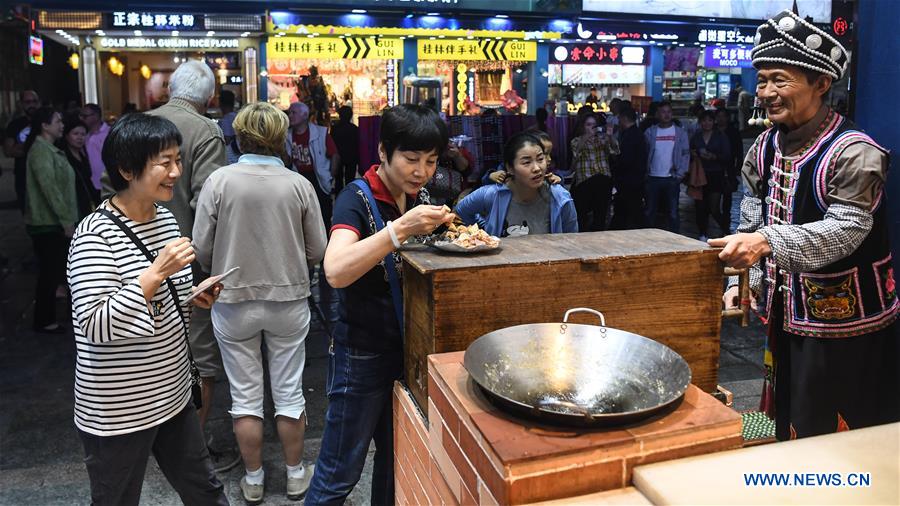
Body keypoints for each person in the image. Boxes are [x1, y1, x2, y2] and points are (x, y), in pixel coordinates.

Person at [712, 7, 899, 441]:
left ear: (821, 84)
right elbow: (753, 212)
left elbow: (847, 229)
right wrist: (748, 279)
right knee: (788, 412)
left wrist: (765, 242)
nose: (767, 92)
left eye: (781, 79)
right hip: (787, 311)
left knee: (840, 426)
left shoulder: (855, 152)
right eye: (762, 80)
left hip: (848, 324)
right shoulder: (764, 146)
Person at [67, 113, 227, 506]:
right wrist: (154, 273)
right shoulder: (93, 235)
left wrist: (193, 298)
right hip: (118, 411)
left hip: (171, 396)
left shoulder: (167, 222)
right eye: (165, 162)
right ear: (126, 169)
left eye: (178, 159)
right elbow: (95, 323)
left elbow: (162, 303)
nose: (176, 172)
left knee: (206, 491)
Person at [305, 104, 455, 505]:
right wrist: (399, 229)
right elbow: (335, 270)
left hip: (407, 352)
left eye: (431, 161)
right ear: (383, 152)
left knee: (396, 463)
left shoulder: (419, 196)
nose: (421, 171)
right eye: (410, 159)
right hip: (362, 356)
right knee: (338, 474)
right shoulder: (355, 199)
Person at [193, 102, 328, 503]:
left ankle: (252, 479)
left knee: (245, 396)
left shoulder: (220, 181)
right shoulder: (298, 185)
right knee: (289, 392)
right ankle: (294, 473)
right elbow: (318, 249)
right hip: (288, 299)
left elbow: (201, 250)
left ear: (239, 136)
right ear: (280, 138)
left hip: (233, 304)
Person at [143, 60, 232, 469]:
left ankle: (155, 444)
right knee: (199, 361)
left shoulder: (139, 126)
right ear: (210, 97)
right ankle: (191, 455)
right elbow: (207, 205)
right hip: (184, 263)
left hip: (135, 256)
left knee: (151, 352)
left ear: (169, 89)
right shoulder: (206, 131)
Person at [455, 131, 577, 237]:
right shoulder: (493, 194)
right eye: (526, 162)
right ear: (510, 168)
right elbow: (461, 211)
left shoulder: (561, 198)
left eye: (540, 159)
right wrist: (485, 229)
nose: (537, 168)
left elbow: (571, 239)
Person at [23, 107, 77, 333]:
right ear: (45, 126)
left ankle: (50, 318)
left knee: (55, 271)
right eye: (57, 121)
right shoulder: (41, 152)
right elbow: (50, 189)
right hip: (47, 223)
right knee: (50, 273)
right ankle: (44, 320)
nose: (61, 125)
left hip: (52, 221)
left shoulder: (50, 150)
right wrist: (65, 220)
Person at [286, 101, 341, 228]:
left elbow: (335, 155)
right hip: (298, 177)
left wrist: (331, 176)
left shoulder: (320, 133)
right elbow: (287, 161)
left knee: (323, 214)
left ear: (305, 115)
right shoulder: (287, 136)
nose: (290, 116)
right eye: (289, 113)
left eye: (293, 113)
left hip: (318, 178)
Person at [643, 102, 690, 233]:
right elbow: (645, 152)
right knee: (650, 211)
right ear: (657, 114)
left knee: (673, 212)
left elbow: (686, 154)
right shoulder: (650, 132)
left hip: (672, 178)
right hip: (653, 177)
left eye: (669, 111)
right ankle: (647, 238)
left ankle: (675, 238)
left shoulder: (679, 132)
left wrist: (681, 173)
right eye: (663, 112)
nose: (666, 114)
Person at [570, 112, 619, 231]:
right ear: (583, 126)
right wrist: (587, 137)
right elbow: (575, 153)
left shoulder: (602, 139)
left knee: (600, 214)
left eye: (594, 125)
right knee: (582, 214)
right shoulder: (576, 140)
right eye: (588, 125)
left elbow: (616, 151)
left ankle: (599, 235)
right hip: (585, 180)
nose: (592, 127)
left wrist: (610, 136)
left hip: (602, 179)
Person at [690, 109, 732, 240]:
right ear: (700, 122)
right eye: (704, 120)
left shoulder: (720, 136)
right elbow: (690, 151)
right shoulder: (696, 136)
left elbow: (727, 156)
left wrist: (713, 156)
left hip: (716, 174)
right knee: (699, 206)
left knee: (714, 207)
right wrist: (694, 154)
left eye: (709, 120)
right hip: (700, 174)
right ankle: (702, 232)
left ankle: (726, 230)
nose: (707, 123)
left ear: (713, 122)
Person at [610, 106, 648, 230]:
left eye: (619, 118)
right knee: (630, 211)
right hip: (634, 179)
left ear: (624, 118)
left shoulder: (630, 136)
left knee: (628, 211)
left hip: (629, 180)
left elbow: (626, 159)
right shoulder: (636, 134)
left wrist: (615, 162)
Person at [3, 90, 40, 212]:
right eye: (28, 102)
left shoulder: (45, 121)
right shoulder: (15, 125)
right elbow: (8, 151)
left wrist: (21, 147)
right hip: (22, 174)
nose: (32, 105)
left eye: (34, 101)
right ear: (21, 104)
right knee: (27, 211)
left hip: (44, 173)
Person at [59, 116, 99, 220]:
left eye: (83, 134)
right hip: (73, 206)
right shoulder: (63, 158)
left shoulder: (83, 154)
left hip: (87, 204)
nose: (80, 137)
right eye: (75, 134)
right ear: (67, 136)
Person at [716, 107, 743, 224]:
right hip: (715, 167)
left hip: (729, 166)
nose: (721, 119)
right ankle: (720, 219)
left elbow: (739, 150)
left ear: (727, 118)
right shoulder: (713, 130)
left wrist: (738, 167)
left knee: (727, 195)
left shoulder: (733, 132)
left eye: (723, 116)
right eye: (719, 116)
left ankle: (726, 218)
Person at [330, 105, 360, 193]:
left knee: (338, 179)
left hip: (338, 156)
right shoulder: (354, 129)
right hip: (352, 156)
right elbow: (357, 143)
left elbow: (332, 143)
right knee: (350, 179)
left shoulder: (335, 128)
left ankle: (339, 195)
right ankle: (349, 195)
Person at [80, 103, 109, 192]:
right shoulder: (83, 135)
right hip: (89, 185)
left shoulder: (109, 133)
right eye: (81, 116)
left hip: (107, 185)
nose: (81, 119)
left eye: (85, 116)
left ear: (95, 116)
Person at [218, 89, 239, 165]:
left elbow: (226, 139)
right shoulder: (238, 116)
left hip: (230, 157)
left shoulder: (225, 120)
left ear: (220, 103)